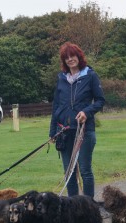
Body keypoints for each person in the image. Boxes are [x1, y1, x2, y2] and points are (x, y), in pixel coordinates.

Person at [49, 42, 105, 198]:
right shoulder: (61, 79)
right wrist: (52, 131)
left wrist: (86, 112)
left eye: (72, 56)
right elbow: (56, 106)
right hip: (64, 132)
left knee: (85, 170)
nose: (70, 59)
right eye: (66, 57)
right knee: (69, 172)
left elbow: (100, 100)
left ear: (78, 56)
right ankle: (72, 208)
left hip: (84, 131)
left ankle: (88, 208)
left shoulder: (90, 76)